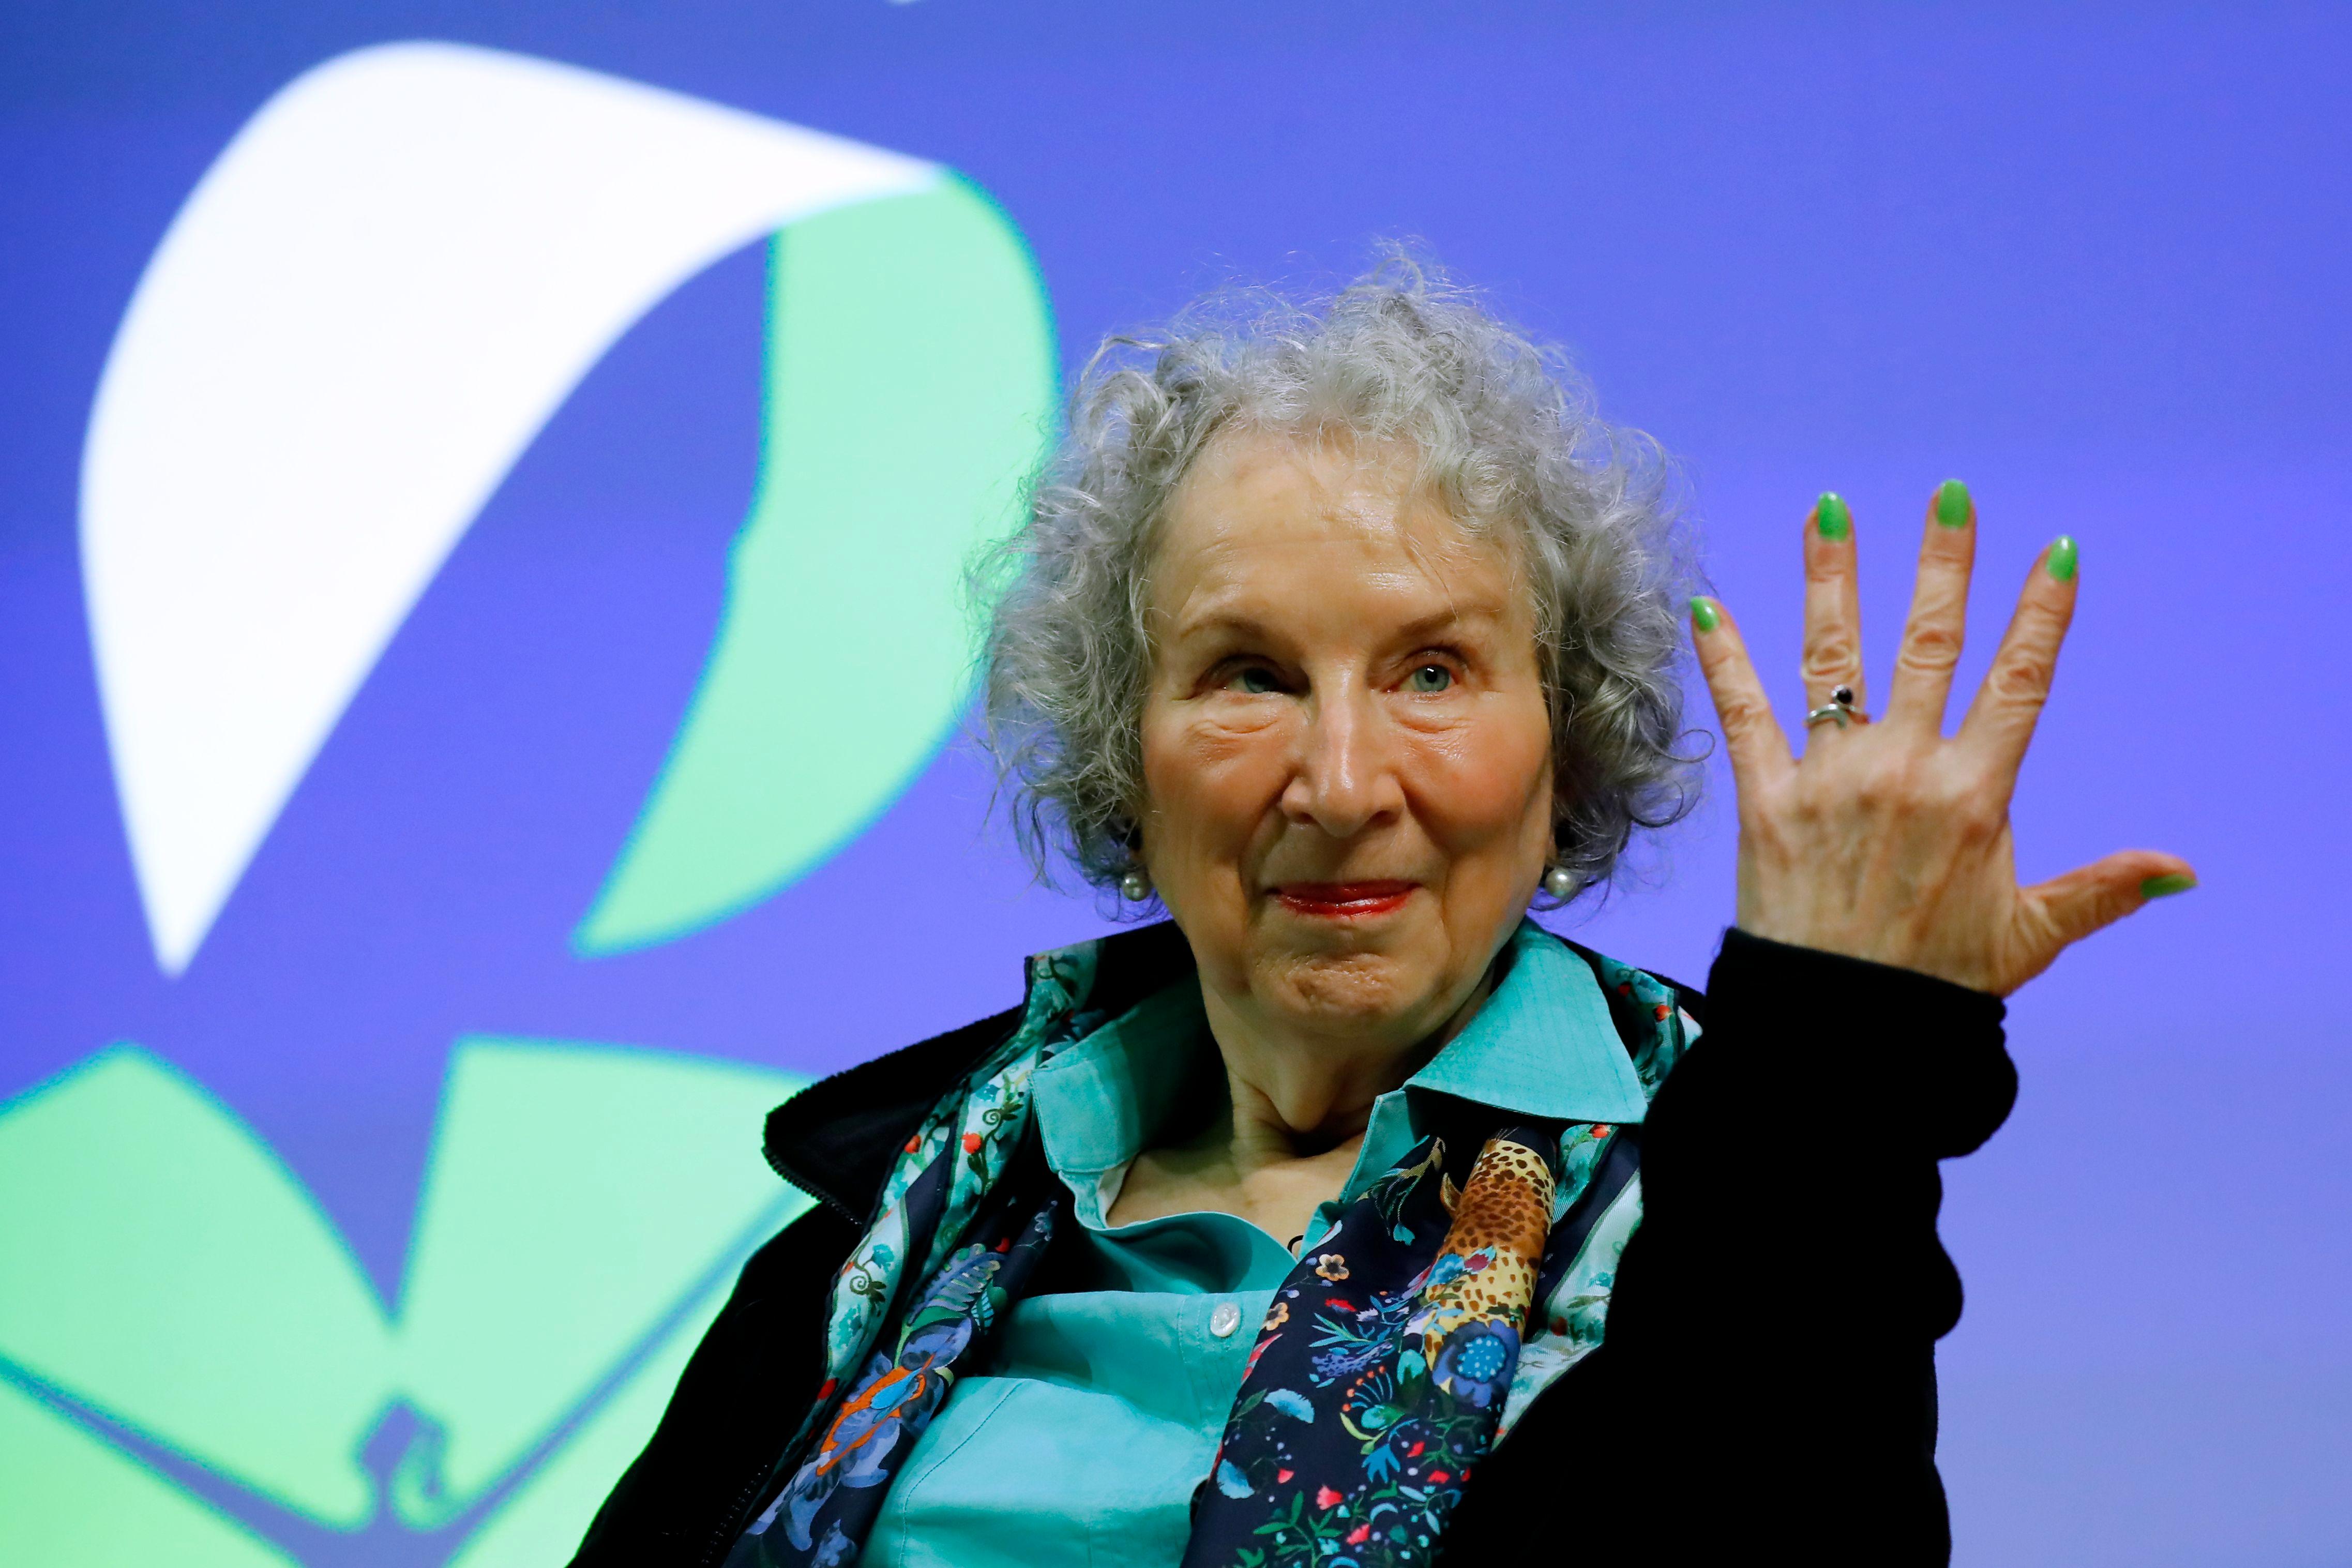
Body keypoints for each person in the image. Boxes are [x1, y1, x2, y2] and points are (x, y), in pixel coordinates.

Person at [569, 262, 2193, 1566]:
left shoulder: (1732, 1187)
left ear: (1564, 744)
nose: (1339, 778)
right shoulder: (901, 1211)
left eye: (1431, 671)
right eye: (1248, 674)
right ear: (1125, 764)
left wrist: (1838, 1043)